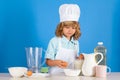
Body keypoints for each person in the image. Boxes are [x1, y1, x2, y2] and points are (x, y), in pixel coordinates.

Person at [45, 4, 82, 74]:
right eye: (67, 27)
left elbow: (75, 60)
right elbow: (48, 61)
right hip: (55, 75)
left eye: (73, 28)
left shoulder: (76, 42)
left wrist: (80, 58)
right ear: (61, 27)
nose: (70, 30)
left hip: (70, 75)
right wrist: (55, 62)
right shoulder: (54, 41)